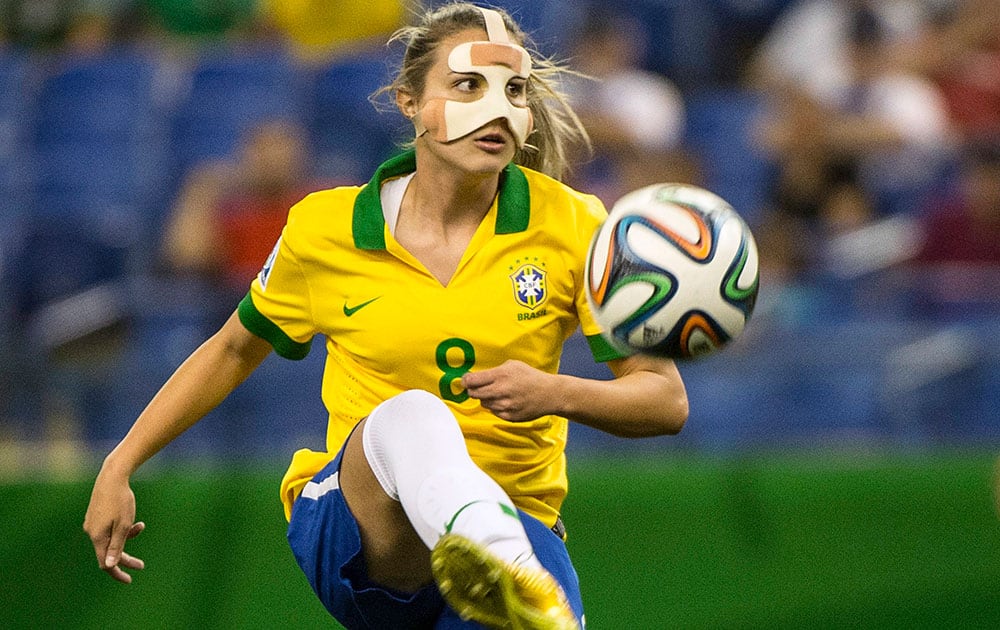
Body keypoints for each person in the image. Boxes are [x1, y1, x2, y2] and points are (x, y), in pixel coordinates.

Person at [82, 4, 688, 629]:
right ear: (408, 103)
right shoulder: (326, 228)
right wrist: (120, 461)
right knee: (411, 414)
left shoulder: (576, 225)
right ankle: (497, 554)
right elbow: (233, 350)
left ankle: (499, 556)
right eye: (466, 86)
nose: (497, 109)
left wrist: (553, 391)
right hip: (363, 529)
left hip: (523, 516)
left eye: (514, 90)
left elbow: (665, 402)